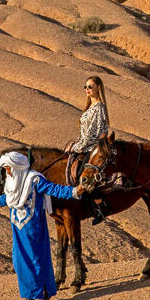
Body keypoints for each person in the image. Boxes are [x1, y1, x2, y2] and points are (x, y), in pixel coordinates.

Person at [0, 151, 87, 300]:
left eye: (8, 168)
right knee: (22, 260)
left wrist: (74, 192)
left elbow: (54, 189)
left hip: (33, 228)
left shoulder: (34, 179)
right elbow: (10, 197)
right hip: (18, 228)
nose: (7, 171)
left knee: (32, 260)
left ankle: (30, 299)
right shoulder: (13, 182)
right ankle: (44, 290)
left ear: (17, 167)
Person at [63, 76, 110, 224]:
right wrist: (74, 144)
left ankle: (100, 205)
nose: (87, 90)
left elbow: (92, 134)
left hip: (93, 147)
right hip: (84, 144)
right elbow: (84, 133)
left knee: (83, 175)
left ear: (98, 88)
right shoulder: (90, 107)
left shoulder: (99, 107)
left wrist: (77, 147)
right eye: (85, 87)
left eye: (90, 86)